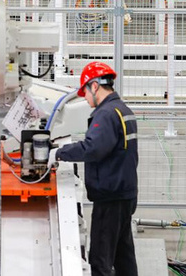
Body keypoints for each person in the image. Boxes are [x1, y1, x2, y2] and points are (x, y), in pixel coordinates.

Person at [48, 61, 139, 276]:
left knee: (100, 259)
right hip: (124, 194)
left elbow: (93, 148)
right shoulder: (123, 109)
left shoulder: (106, 114)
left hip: (110, 197)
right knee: (123, 255)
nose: (86, 99)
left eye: (86, 93)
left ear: (95, 86)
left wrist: (58, 153)